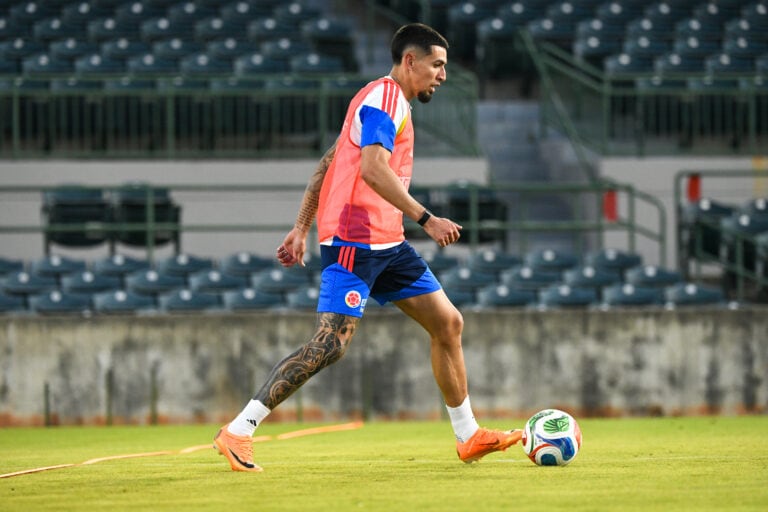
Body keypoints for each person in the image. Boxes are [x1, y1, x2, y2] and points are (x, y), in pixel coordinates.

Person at [214, 23, 520, 473]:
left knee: (448, 323)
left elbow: (330, 161)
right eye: (437, 65)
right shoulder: (386, 99)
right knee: (330, 346)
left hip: (388, 242)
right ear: (409, 61)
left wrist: (300, 227)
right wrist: (427, 219)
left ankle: (468, 434)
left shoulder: (379, 101)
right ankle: (239, 430)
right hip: (354, 241)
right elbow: (374, 170)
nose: (443, 75)